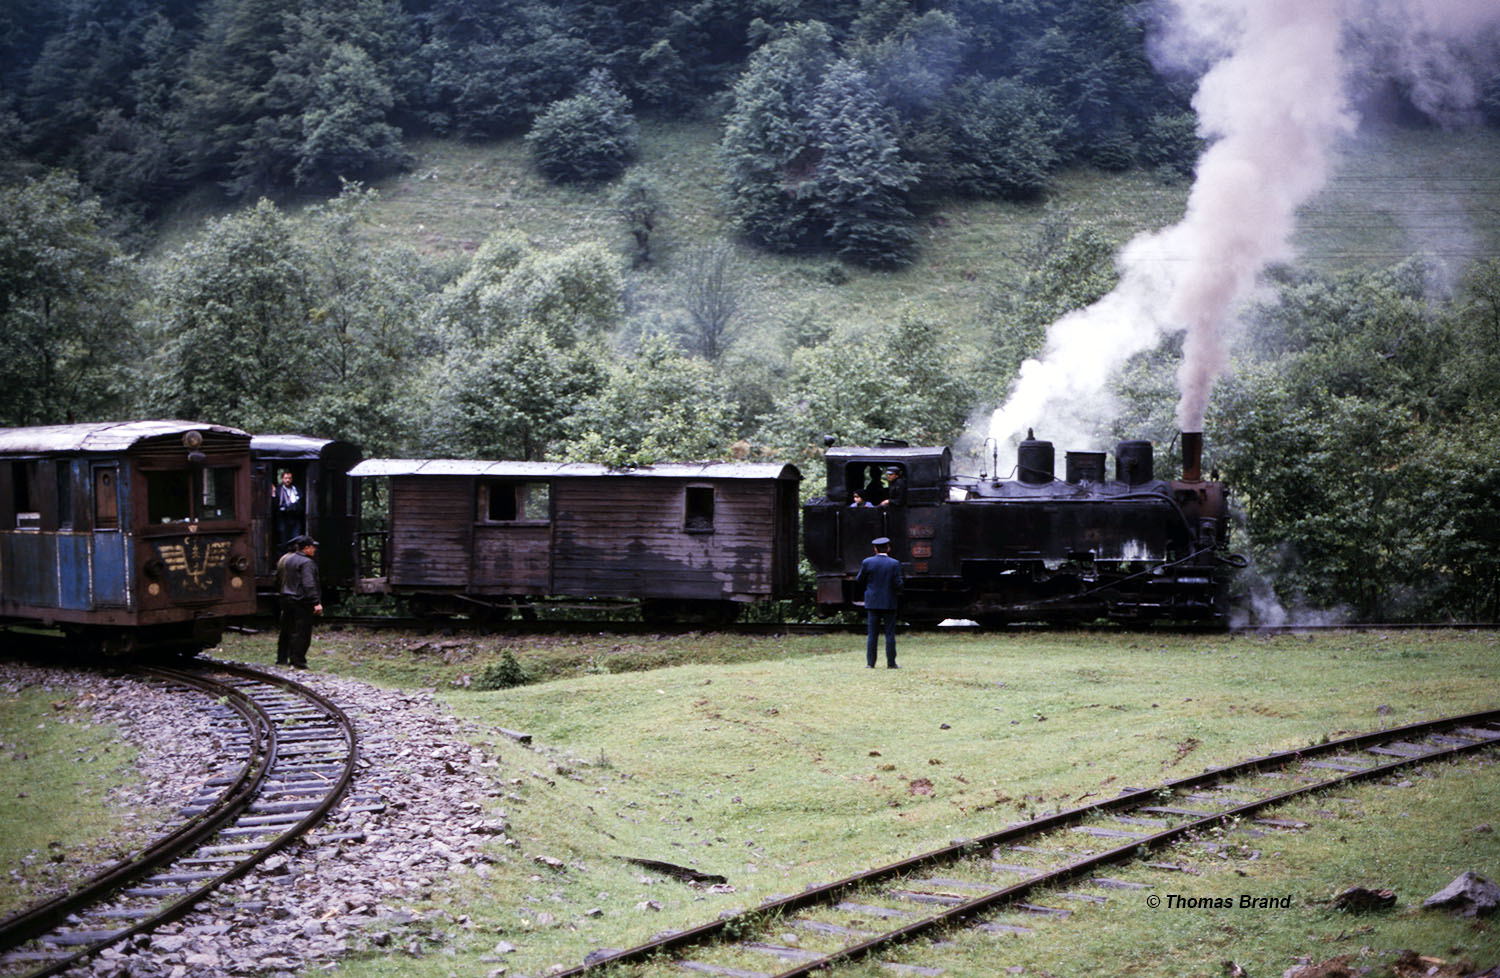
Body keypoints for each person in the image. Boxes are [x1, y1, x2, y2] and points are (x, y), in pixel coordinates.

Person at [855, 536, 903, 669]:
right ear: (888, 548)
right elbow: (898, 583)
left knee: (872, 634)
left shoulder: (867, 562)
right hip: (889, 602)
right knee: (890, 634)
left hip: (873, 603)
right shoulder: (894, 563)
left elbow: (859, 580)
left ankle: (870, 664)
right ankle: (891, 663)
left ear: (875, 549)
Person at [276, 535, 323, 669]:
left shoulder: (289, 560)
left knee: (287, 629)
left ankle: (282, 658)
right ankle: (298, 661)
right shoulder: (307, 562)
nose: (314, 549)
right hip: (300, 600)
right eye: (313, 547)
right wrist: (316, 602)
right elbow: (308, 584)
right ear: (306, 548)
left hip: (287, 598)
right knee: (302, 632)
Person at [272, 470, 304, 550]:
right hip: (283, 519)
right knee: (284, 540)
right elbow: (275, 506)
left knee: (296, 539)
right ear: (282, 479)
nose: (288, 480)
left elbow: (301, 502)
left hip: (295, 518)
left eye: (289, 478)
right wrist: (273, 494)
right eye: (286, 478)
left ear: (292, 479)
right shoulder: (278, 490)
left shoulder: (297, 489)